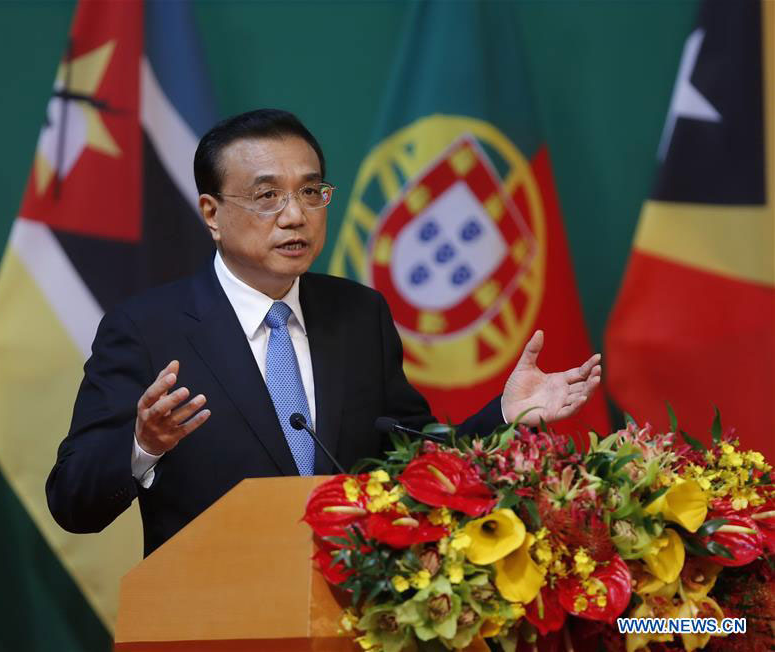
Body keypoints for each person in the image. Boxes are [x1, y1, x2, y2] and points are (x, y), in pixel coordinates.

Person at [46, 109, 601, 556]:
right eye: (268, 196)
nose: (296, 215)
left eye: (311, 192)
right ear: (212, 213)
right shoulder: (147, 328)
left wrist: (503, 416)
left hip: (348, 617)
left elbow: (411, 465)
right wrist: (143, 446)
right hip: (211, 623)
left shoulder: (359, 316)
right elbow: (73, 503)